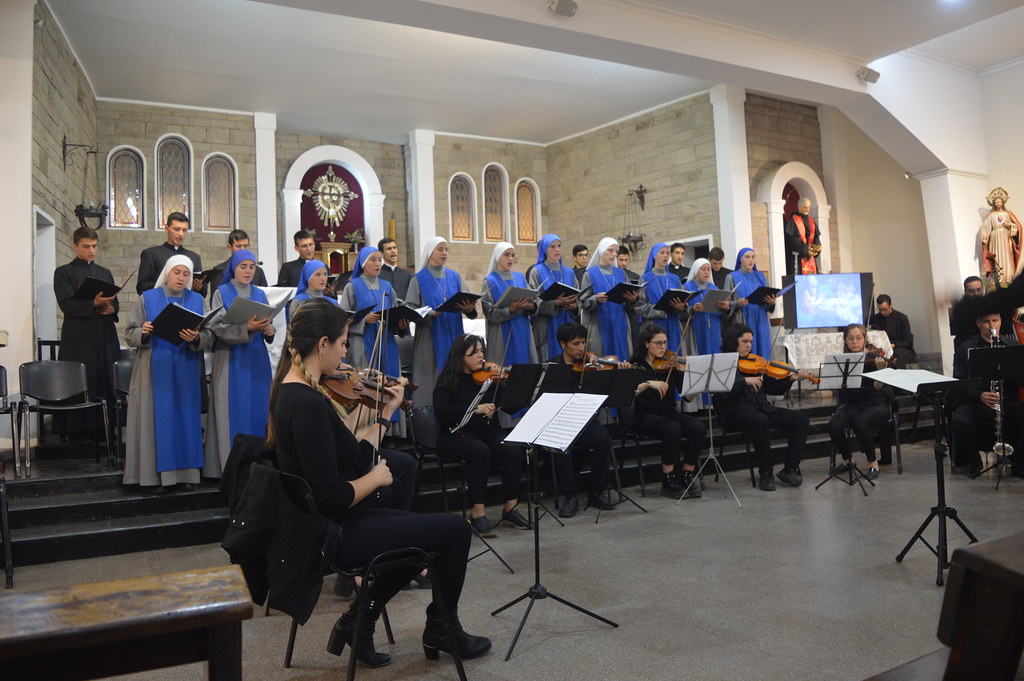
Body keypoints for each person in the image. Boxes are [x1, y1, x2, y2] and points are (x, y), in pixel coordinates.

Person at [267, 300, 490, 667]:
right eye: (341, 343)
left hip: (334, 523)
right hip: (336, 532)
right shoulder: (306, 402)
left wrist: (385, 412)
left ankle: (361, 620)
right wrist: (374, 479)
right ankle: (439, 627)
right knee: (454, 531)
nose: (345, 352)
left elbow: (351, 456)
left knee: (425, 532)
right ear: (322, 345)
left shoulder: (295, 390)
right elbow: (331, 496)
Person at [123, 255, 212, 489]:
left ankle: (187, 475)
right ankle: (154, 476)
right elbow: (129, 333)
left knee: (185, 420)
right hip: (154, 367)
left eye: (186, 274)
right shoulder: (148, 298)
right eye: (177, 272)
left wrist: (197, 338)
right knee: (157, 420)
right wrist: (143, 332)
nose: (181, 278)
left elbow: (210, 335)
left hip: (186, 367)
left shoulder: (197, 300)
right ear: (167, 273)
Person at [432, 334, 529, 535]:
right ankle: (478, 512)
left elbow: (511, 409)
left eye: (481, 351)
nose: (480, 356)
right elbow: (441, 412)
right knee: (480, 451)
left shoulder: (490, 378)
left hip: (487, 432)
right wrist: (474, 409)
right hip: (455, 435)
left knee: (511, 448)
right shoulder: (448, 380)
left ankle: (510, 509)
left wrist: (519, 389)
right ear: (460, 357)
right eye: (473, 352)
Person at [205, 249, 275, 478]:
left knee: (258, 410)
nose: (247, 271)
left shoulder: (260, 294)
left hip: (256, 359)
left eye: (252, 267)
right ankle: (230, 468)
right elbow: (216, 327)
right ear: (234, 268)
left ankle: (259, 464)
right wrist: (247, 328)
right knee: (232, 410)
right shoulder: (221, 292)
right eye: (243, 266)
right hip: (231, 359)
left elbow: (268, 326)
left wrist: (268, 329)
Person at [715, 324, 811, 491]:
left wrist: (791, 379)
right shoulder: (723, 362)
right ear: (733, 341)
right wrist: (744, 381)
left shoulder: (755, 362)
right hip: (734, 411)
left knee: (801, 419)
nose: (749, 345)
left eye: (750, 341)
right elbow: (721, 393)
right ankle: (766, 472)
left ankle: (791, 467)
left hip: (760, 408)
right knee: (759, 420)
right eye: (744, 341)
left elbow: (773, 388)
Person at [53, 226, 121, 439]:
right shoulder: (64, 272)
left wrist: (112, 308)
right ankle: (77, 431)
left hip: (103, 334)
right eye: (86, 246)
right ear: (75, 246)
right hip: (79, 338)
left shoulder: (104, 273)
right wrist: (93, 302)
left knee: (104, 378)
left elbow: (114, 303)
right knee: (82, 380)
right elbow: (66, 305)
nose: (91, 250)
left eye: (94, 246)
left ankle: (105, 429)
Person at [546, 323, 617, 517]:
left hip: (585, 419)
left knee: (603, 439)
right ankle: (570, 496)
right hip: (560, 421)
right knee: (560, 443)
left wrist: (599, 372)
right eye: (576, 343)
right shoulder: (552, 367)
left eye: (584, 343)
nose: (581, 348)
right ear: (563, 344)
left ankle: (596, 492)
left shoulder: (591, 365)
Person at [631, 323, 705, 498]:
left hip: (668, 413)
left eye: (665, 342)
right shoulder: (635, 365)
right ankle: (668, 479)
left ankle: (687, 474)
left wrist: (699, 385)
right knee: (672, 428)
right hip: (644, 416)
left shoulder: (671, 364)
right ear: (647, 344)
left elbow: (687, 397)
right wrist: (648, 384)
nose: (663, 347)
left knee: (697, 427)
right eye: (658, 343)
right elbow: (628, 394)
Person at [950, 310, 1024, 479]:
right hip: (977, 402)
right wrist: (980, 395)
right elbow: (960, 381)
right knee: (960, 421)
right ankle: (975, 463)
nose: (991, 325)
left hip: (1006, 401)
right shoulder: (966, 347)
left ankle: (1019, 464)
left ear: (1000, 321)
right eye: (986, 322)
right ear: (978, 323)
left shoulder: (1012, 345)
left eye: (995, 320)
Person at [405, 237, 478, 407]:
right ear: (430, 252)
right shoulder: (418, 279)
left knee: (456, 375)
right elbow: (410, 309)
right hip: (430, 337)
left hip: (454, 334)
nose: (444, 253)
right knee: (431, 377)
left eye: (446, 249)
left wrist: (468, 307)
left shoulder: (455, 277)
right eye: (440, 249)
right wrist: (431, 313)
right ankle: (428, 414)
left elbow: (469, 302)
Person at [827, 324, 895, 480]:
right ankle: (848, 460)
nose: (855, 342)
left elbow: (877, 387)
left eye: (859, 338)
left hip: (875, 404)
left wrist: (880, 371)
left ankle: (873, 463)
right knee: (834, 425)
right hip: (853, 405)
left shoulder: (872, 360)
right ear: (845, 340)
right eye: (850, 338)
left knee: (860, 423)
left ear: (864, 340)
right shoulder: (842, 362)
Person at [579, 237, 638, 360]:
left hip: (620, 323)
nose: (613, 254)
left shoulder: (621, 273)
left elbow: (628, 303)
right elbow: (583, 301)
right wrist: (595, 299)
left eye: (616, 252)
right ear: (601, 250)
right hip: (599, 324)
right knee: (602, 361)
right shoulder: (589, 274)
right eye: (610, 250)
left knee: (623, 359)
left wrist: (632, 299)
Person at [480, 242, 538, 366]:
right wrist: (510, 310)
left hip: (523, 328)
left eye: (513, 255)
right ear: (497, 256)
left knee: (525, 368)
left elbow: (532, 302)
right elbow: (489, 313)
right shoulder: (489, 281)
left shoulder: (520, 277)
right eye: (506, 255)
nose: (511, 258)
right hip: (501, 333)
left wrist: (531, 306)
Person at [528, 234, 579, 360]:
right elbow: (533, 300)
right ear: (545, 249)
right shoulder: (536, 271)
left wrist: (574, 305)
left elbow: (579, 296)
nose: (557, 250)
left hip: (567, 320)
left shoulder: (569, 272)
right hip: (547, 323)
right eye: (552, 247)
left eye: (559, 246)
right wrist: (555, 303)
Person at [724, 248, 776, 360]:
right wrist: (736, 303)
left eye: (753, 257)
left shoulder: (761, 277)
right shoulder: (732, 277)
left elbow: (768, 302)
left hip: (761, 319)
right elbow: (725, 303)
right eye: (747, 257)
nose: (751, 260)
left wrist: (771, 302)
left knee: (764, 351)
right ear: (740, 260)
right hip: (743, 318)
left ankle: (766, 376)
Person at [636, 242, 687, 354]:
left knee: (675, 359)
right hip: (654, 325)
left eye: (667, 253)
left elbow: (684, 301)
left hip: (673, 324)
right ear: (654, 255)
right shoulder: (645, 278)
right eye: (662, 253)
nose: (665, 256)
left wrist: (682, 307)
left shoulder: (675, 279)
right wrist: (661, 311)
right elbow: (640, 307)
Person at [137, 212, 204, 294]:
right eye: (177, 229)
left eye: (184, 230)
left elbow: (201, 294)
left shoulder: (194, 257)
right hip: (159, 303)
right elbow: (142, 286)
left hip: (186, 304)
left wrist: (199, 287)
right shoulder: (151, 254)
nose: (181, 234)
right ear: (166, 228)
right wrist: (168, 287)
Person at [206, 230, 268, 302]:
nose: (242, 249)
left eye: (245, 246)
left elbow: (265, 295)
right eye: (238, 246)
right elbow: (215, 301)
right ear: (229, 247)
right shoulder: (219, 270)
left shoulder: (258, 271)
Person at [683, 258, 726, 357]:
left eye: (708, 269)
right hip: (696, 327)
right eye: (703, 269)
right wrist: (692, 309)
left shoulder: (714, 288)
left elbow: (721, 313)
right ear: (696, 270)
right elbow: (682, 311)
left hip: (714, 328)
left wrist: (724, 307)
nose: (706, 272)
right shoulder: (687, 288)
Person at [980, 187, 1022, 285]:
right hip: (995, 238)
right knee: (997, 255)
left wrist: (1010, 225)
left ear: (1003, 202)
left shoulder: (1008, 214)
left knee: (1006, 256)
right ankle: (998, 278)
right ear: (994, 204)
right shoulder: (991, 215)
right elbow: (984, 227)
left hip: (1005, 238)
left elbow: (1018, 227)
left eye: (999, 202)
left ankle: (1008, 277)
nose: (998, 204)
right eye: (996, 202)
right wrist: (984, 237)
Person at [870, 294, 916, 367]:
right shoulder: (876, 318)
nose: (882, 312)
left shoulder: (902, 318)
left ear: (890, 305)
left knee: (898, 354)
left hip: (900, 348)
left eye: (884, 309)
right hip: (883, 349)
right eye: (879, 309)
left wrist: (894, 345)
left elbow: (908, 341)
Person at [784, 197, 821, 275]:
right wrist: (806, 250)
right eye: (805, 207)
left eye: (809, 207)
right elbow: (793, 239)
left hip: (811, 258)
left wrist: (816, 248)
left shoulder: (812, 221)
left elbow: (816, 237)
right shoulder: (793, 220)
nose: (807, 210)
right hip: (798, 258)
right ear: (799, 207)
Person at [951, 276, 986, 349]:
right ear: (965, 291)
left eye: (979, 290)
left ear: (983, 289)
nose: (976, 293)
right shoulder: (959, 309)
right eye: (971, 291)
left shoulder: (989, 304)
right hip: (966, 343)